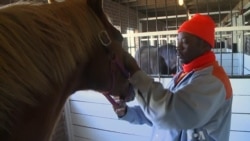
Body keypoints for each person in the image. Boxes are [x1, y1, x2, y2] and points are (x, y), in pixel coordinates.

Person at [114, 13, 233, 141]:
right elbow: (157, 114)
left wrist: (135, 73)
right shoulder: (181, 76)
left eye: (185, 42)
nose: (178, 47)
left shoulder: (214, 82)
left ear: (205, 45)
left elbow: (168, 114)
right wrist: (127, 112)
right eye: (177, 41)